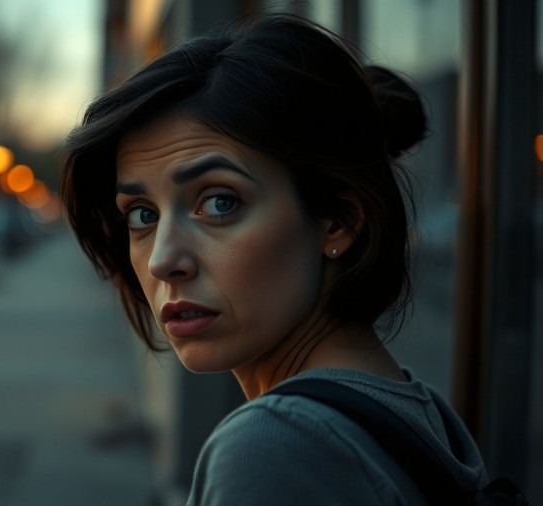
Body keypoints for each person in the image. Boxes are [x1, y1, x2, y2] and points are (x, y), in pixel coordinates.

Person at [60, 13, 489, 505]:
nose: (162, 260)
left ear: (339, 221)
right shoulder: (420, 412)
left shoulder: (275, 446)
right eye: (141, 214)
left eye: (220, 202)